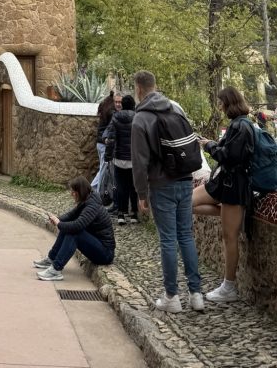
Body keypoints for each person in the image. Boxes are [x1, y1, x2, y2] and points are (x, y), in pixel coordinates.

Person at [131, 70, 204, 313]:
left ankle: (172, 297)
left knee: (168, 240)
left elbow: (139, 162)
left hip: (161, 185)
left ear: (138, 89)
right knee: (186, 236)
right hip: (185, 180)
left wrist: (141, 194)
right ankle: (196, 294)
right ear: (155, 85)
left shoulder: (140, 119)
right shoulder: (175, 108)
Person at [192, 86, 254, 304]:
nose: (219, 107)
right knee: (187, 202)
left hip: (233, 186)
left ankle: (229, 287)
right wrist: (212, 144)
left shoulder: (242, 126)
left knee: (229, 238)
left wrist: (210, 146)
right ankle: (229, 216)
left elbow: (230, 157)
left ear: (229, 102)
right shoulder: (239, 124)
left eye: (221, 103)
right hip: (223, 183)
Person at [33, 177, 115, 281]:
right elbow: (71, 215)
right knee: (67, 227)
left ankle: (55, 270)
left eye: (73, 191)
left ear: (80, 191)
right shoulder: (87, 200)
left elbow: (77, 226)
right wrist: (58, 219)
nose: (71, 194)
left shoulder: (92, 206)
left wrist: (59, 224)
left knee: (74, 233)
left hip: (105, 254)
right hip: (98, 246)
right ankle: (51, 259)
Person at [107, 94, 138, 225]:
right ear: (133, 105)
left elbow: (111, 139)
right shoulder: (137, 117)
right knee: (133, 186)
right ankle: (134, 214)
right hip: (133, 159)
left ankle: (121, 214)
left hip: (119, 158)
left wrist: (108, 156)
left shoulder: (115, 117)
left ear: (123, 105)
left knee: (120, 187)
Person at [91, 91, 119, 203]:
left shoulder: (104, 106)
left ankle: (91, 191)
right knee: (103, 170)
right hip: (104, 144)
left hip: (100, 144)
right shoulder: (112, 112)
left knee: (102, 169)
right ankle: (96, 194)